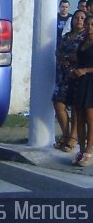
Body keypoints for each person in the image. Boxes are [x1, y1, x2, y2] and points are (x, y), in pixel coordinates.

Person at [53, 9, 86, 153]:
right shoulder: (67, 36)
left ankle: (73, 138)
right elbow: (58, 51)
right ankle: (65, 134)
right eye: (76, 18)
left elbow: (83, 55)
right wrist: (64, 58)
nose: (79, 20)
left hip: (78, 76)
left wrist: (74, 58)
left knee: (76, 108)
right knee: (58, 103)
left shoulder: (86, 38)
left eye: (82, 18)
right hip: (63, 75)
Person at [70, 15, 93, 167]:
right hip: (80, 81)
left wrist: (85, 70)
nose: (90, 26)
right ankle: (81, 149)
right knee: (79, 117)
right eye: (88, 24)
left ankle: (89, 151)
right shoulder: (82, 43)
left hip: (91, 81)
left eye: (92, 24)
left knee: (90, 118)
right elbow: (76, 59)